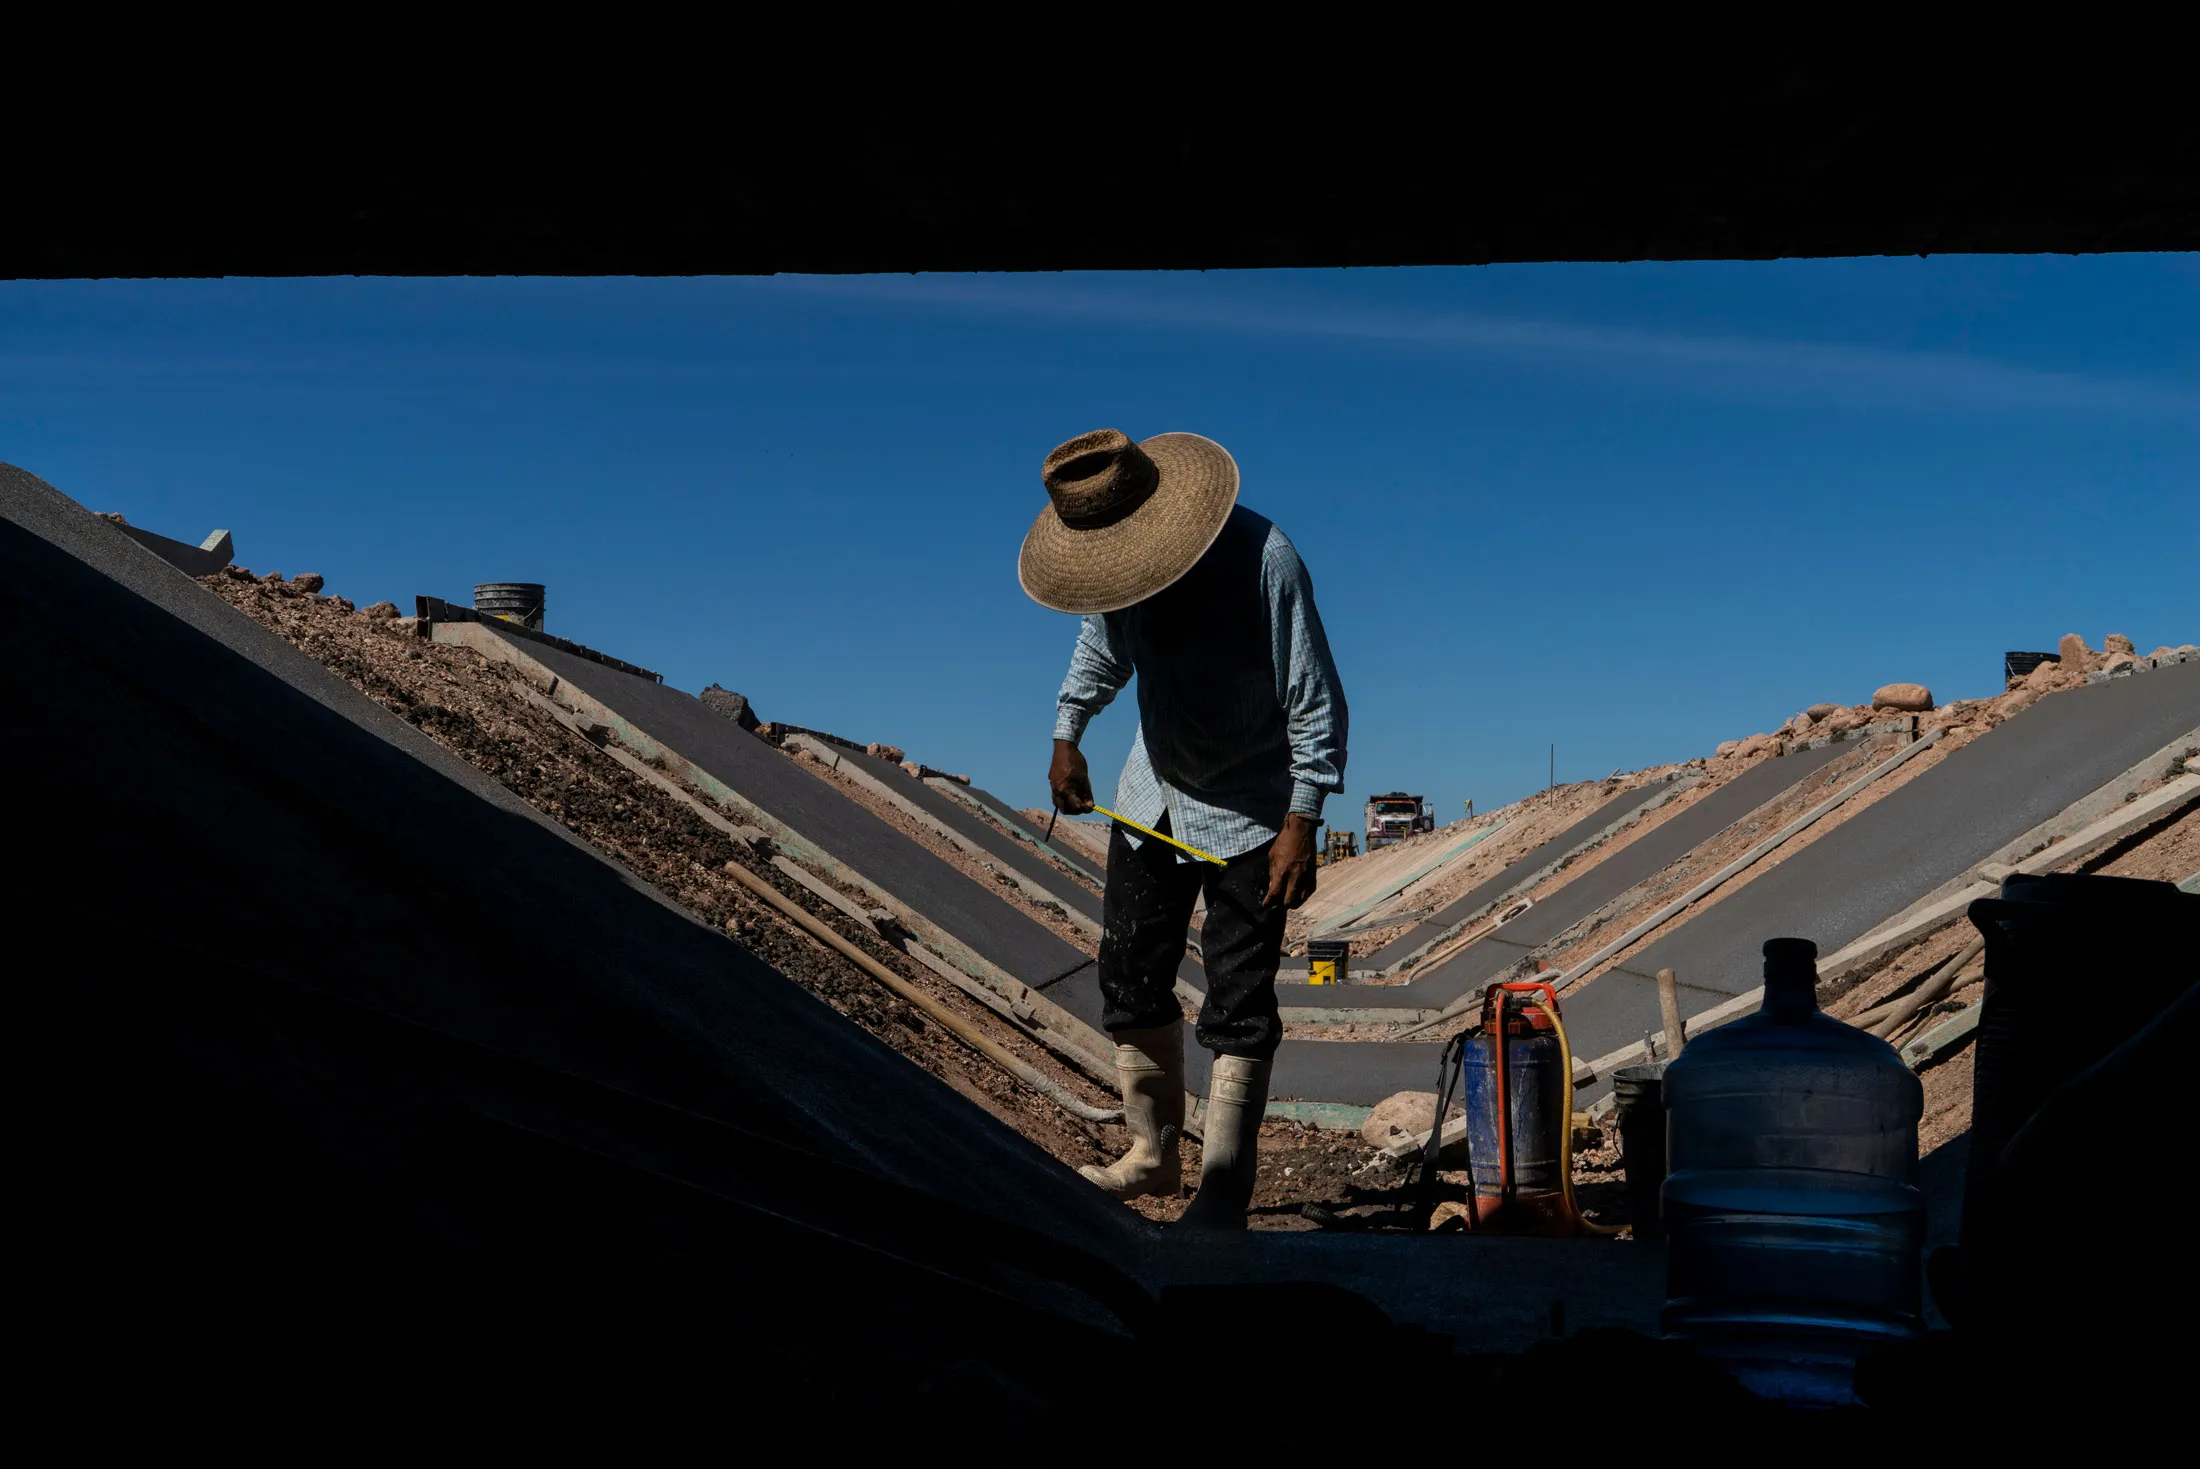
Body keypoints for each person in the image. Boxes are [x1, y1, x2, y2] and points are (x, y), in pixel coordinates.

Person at [1018, 428, 1348, 1229]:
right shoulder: (1120, 572)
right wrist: (1068, 733)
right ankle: (1153, 1150)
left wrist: (1303, 817)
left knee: (1238, 1000)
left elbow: (1315, 699)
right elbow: (1100, 653)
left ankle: (1225, 1187)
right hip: (1152, 796)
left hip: (1252, 814)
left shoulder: (1265, 559)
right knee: (1128, 973)